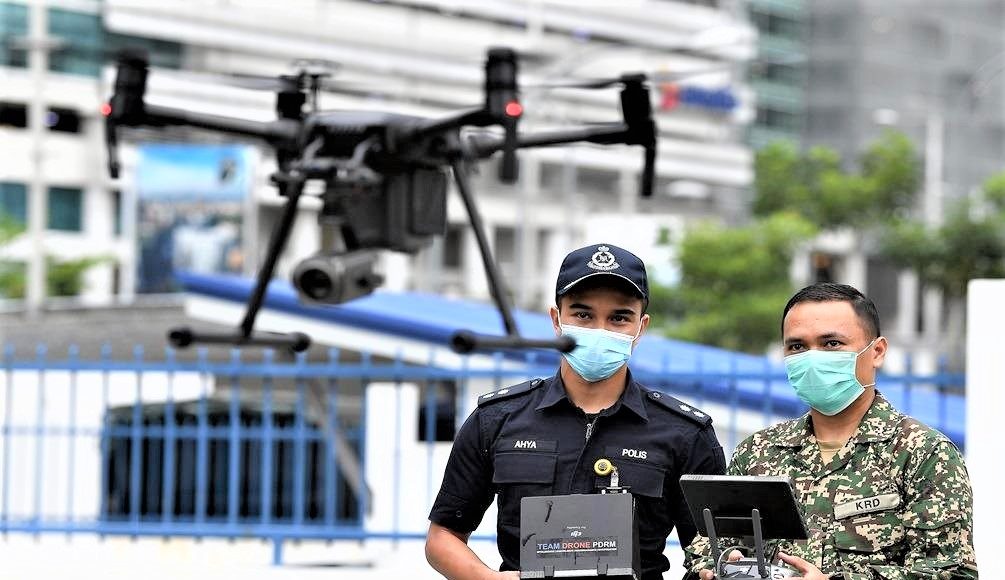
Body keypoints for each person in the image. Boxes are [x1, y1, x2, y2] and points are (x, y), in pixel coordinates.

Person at [425, 243, 727, 580]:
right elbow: (443, 535)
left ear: (641, 327)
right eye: (583, 315)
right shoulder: (497, 419)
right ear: (557, 320)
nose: (600, 331)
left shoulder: (686, 434)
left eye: (619, 318)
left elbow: (715, 554)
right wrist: (490, 579)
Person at [684, 282, 978, 580]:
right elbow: (707, 548)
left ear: (877, 351)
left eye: (831, 344)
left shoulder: (923, 453)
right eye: (797, 346)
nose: (812, 359)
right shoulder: (758, 452)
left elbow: (951, 572)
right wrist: (721, 564)